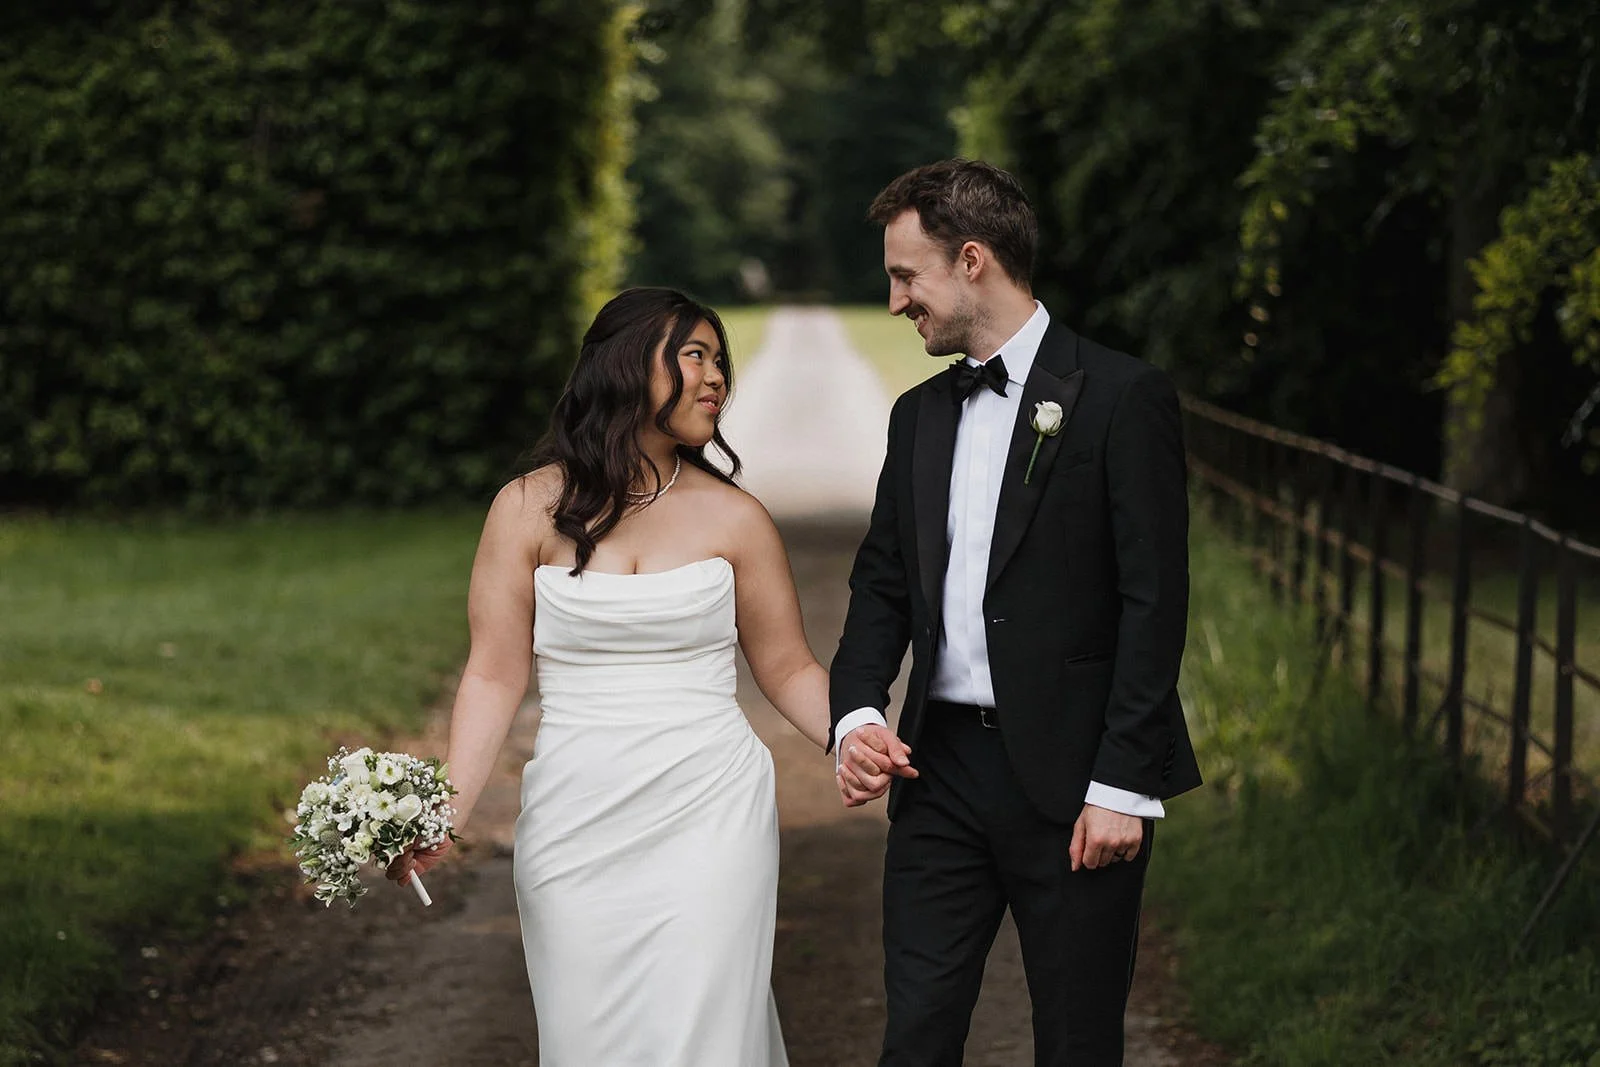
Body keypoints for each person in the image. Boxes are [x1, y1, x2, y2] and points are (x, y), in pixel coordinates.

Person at [387, 287, 832, 1065]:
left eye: (721, 360)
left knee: (708, 1032)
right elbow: (493, 674)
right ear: (628, 365)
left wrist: (859, 736)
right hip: (576, 816)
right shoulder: (525, 510)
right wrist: (442, 812)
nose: (717, 377)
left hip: (711, 811)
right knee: (588, 1038)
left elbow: (788, 664)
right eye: (694, 354)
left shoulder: (737, 518)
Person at [830, 159, 1203, 1066]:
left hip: (1079, 781)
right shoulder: (918, 415)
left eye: (905, 275)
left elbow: (1154, 603)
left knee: (1076, 1041)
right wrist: (859, 711)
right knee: (915, 1034)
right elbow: (882, 582)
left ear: (970, 260)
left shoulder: (1122, 398)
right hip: (939, 774)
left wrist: (1123, 783)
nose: (894, 301)